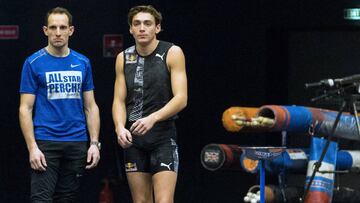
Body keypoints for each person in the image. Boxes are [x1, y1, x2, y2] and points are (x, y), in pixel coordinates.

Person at [19, 7, 101, 202]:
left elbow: (91, 106)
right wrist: (32, 148)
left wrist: (95, 143)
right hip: (46, 141)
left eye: (62, 27)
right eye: (53, 27)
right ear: (45, 30)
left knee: (67, 198)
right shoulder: (33, 63)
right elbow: (25, 108)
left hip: (77, 142)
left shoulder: (83, 62)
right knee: (41, 199)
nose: (58, 32)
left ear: (70, 30)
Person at [112, 5, 187, 203]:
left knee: (163, 200)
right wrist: (119, 127)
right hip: (134, 140)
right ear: (131, 29)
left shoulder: (172, 52)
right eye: (137, 24)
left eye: (147, 23)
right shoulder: (123, 58)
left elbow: (181, 98)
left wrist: (153, 118)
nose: (142, 28)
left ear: (157, 28)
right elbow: (119, 100)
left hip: (162, 136)